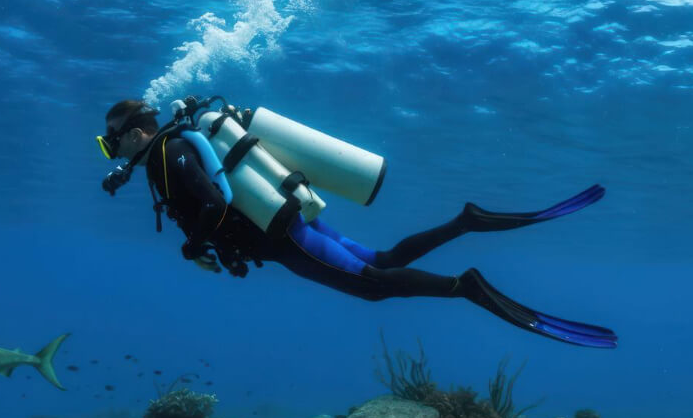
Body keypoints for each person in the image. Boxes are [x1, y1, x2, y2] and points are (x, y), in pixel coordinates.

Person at [98, 98, 617, 348]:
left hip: (281, 236)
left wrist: (194, 247)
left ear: (133, 134)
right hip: (289, 217)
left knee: (372, 287)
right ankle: (467, 221)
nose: (111, 151)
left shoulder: (169, 155)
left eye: (110, 141)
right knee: (382, 262)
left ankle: (467, 287)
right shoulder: (176, 146)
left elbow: (213, 205)